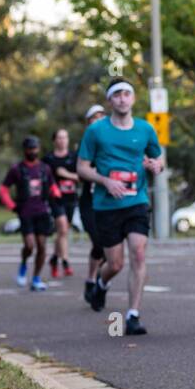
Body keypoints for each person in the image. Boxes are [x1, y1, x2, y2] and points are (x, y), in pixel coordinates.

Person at [76, 80, 163, 334]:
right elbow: (82, 167)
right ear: (110, 101)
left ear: (133, 99)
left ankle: (133, 315)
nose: (122, 99)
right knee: (115, 264)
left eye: (127, 94)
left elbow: (158, 158)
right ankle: (101, 285)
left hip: (137, 201)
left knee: (138, 253)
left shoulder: (146, 129)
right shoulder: (96, 132)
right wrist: (105, 181)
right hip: (106, 205)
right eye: (117, 95)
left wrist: (157, 167)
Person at [0, 136, 56, 291]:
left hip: (42, 211)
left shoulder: (45, 168)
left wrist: (56, 193)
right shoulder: (17, 169)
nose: (33, 151)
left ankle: (36, 278)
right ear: (25, 150)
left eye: (35, 148)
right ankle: (24, 264)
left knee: (42, 246)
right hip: (25, 212)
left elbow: (52, 186)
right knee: (29, 246)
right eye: (30, 149)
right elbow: (3, 189)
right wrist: (11, 205)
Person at [77, 104, 108, 302]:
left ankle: (101, 281)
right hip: (89, 203)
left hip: (108, 202)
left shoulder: (112, 143)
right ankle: (91, 280)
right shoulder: (85, 146)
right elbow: (80, 172)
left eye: (101, 116)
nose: (97, 120)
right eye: (93, 117)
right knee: (98, 242)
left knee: (109, 249)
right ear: (88, 122)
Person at [47, 129, 79, 279]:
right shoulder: (48, 159)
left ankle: (54, 258)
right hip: (55, 200)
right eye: (59, 137)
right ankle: (65, 261)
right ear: (54, 140)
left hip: (70, 198)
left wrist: (65, 174)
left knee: (62, 232)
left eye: (65, 137)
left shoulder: (74, 157)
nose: (62, 140)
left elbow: (83, 175)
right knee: (63, 229)